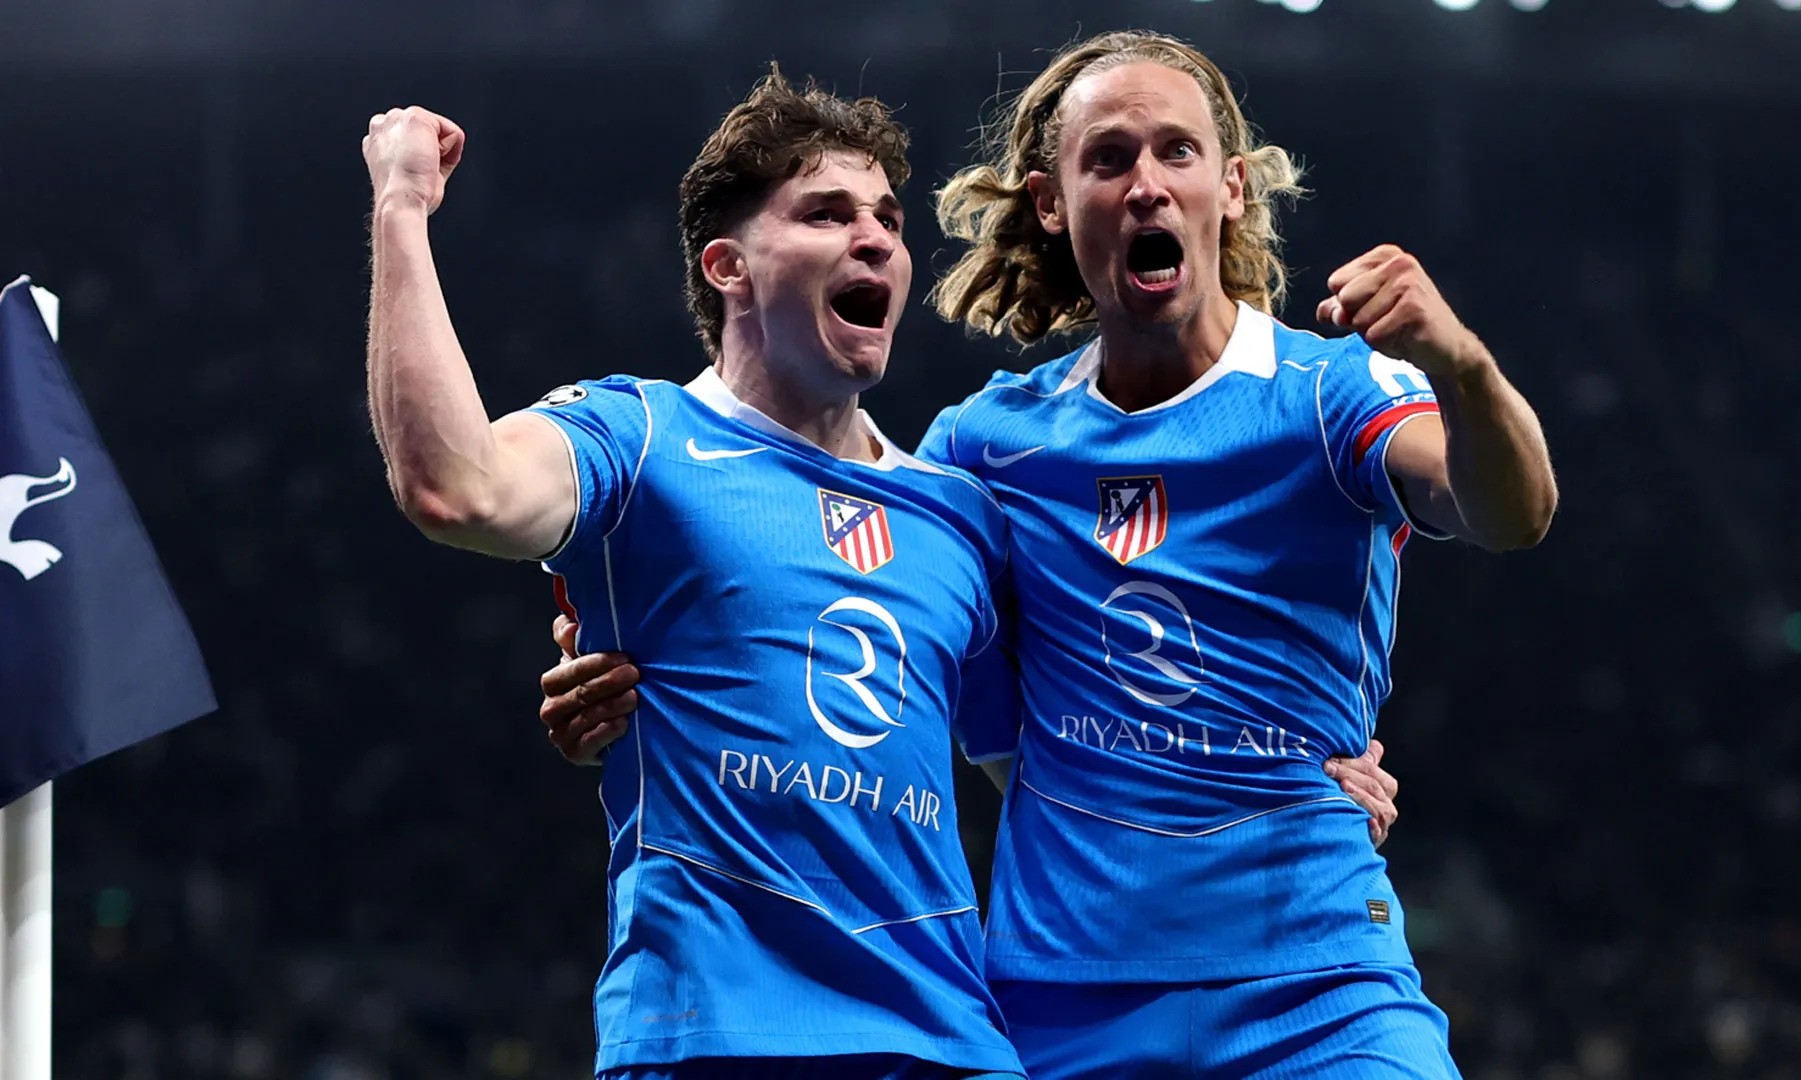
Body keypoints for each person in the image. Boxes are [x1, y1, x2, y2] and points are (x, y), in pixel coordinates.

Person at [540, 31, 1469, 1077]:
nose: (1148, 185)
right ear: (1051, 202)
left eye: (1177, 151)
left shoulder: (1328, 390)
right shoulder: (980, 452)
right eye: (1109, 157)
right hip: (1060, 997)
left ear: (1233, 186)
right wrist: (639, 671)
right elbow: (867, 614)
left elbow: (1502, 506)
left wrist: (1464, 367)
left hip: (1318, 974)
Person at [361, 71, 1028, 1079]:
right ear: (729, 267)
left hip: (947, 1047)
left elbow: (1050, 783)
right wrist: (403, 207)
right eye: (826, 213)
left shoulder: (961, 516)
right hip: (712, 1039)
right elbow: (454, 486)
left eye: (887, 218)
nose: (876, 239)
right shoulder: (640, 439)